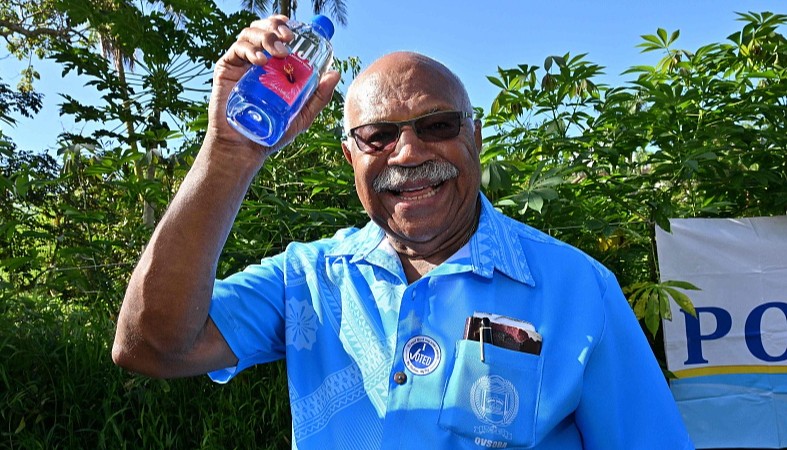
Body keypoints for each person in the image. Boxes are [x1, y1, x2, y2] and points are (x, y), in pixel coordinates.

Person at [112, 14, 695, 450]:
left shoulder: (579, 287)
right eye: (379, 136)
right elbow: (150, 346)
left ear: (476, 138)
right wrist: (230, 150)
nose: (410, 152)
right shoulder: (307, 279)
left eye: (437, 125)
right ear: (350, 157)